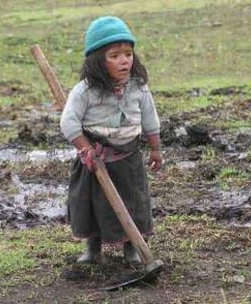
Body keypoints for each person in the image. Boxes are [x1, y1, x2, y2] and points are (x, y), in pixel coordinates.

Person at [60, 16, 162, 264]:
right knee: (94, 206)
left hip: (128, 158)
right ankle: (92, 250)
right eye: (114, 55)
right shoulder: (85, 91)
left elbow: (150, 119)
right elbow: (69, 123)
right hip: (95, 159)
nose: (124, 60)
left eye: (128, 53)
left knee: (133, 203)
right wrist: (85, 151)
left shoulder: (138, 88)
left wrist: (156, 149)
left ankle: (132, 249)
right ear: (97, 61)